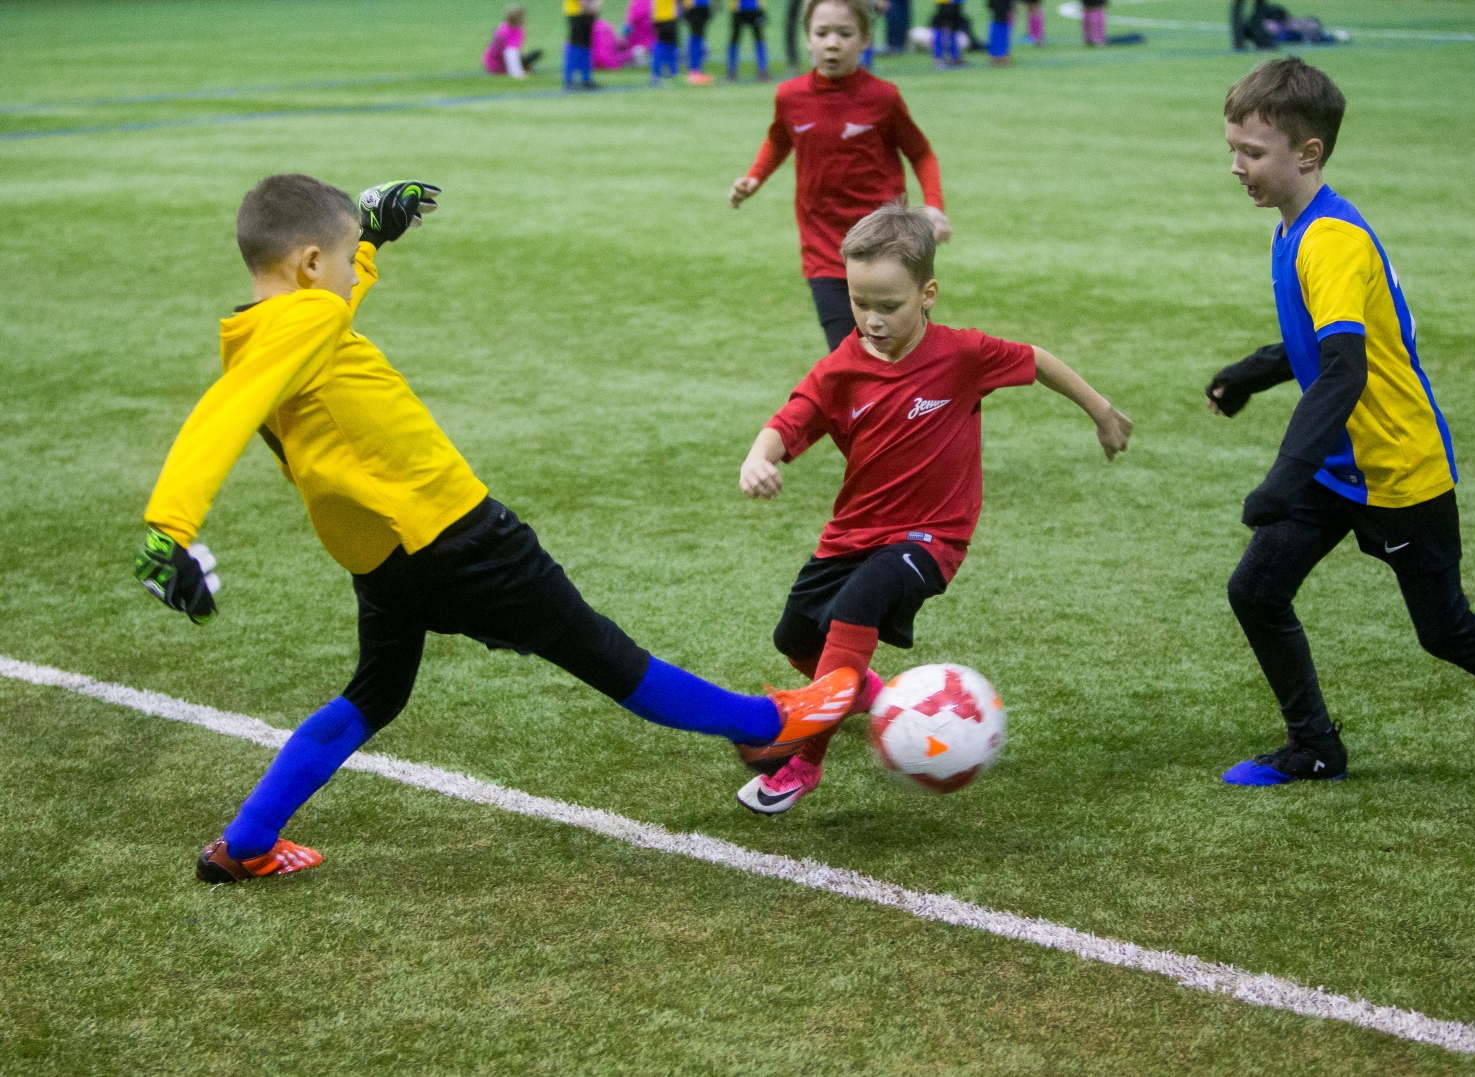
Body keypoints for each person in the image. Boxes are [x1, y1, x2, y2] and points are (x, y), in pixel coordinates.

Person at [134, 174, 859, 883]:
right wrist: (170, 528)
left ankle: (247, 841)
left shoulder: (263, 330)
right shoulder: (304, 322)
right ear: (311, 264)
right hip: (456, 534)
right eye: (347, 258)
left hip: (386, 556)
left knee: (375, 694)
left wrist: (371, 240)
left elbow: (315, 323)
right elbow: (222, 414)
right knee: (599, 648)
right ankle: (767, 726)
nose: (353, 277)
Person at [1210, 58, 1475, 801]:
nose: (1236, 167)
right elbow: (1324, 340)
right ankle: (1314, 747)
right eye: (1233, 149)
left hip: (1398, 468)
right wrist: (1252, 374)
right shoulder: (1295, 228)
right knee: (1257, 589)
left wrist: (1281, 478)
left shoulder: (1331, 239)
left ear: (1309, 154)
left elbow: (1345, 372)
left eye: (1252, 152)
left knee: (1445, 629)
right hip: (1338, 465)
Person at [734, 204, 1133, 814]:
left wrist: (1102, 412)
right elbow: (791, 420)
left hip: (930, 539)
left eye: (888, 305)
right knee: (794, 638)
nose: (871, 319)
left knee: (859, 605)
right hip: (850, 535)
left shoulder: (962, 355)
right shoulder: (841, 370)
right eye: (859, 302)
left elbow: (1036, 360)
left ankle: (802, 762)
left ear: (928, 295)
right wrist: (757, 458)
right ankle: (870, 694)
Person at [729, 0, 950, 352]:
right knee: (850, 358)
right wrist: (754, 178)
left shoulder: (883, 97)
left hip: (889, 247)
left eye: (845, 33)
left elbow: (921, 153)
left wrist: (934, 205)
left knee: (910, 357)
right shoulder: (790, 96)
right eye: (822, 33)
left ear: (864, 39)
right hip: (824, 252)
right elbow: (779, 139)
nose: (832, 43)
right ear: (808, 39)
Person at [483, 5, 544, 77]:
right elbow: (510, 51)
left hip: (490, 62)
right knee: (533, 56)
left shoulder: (503, 26)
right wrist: (517, 72)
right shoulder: (516, 31)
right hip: (501, 65)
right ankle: (522, 67)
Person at [728, 0, 771, 80]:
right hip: (742, 9)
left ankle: (762, 70)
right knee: (735, 39)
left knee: (758, 38)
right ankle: (732, 71)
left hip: (751, 9)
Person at [563, 0, 601, 89]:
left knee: (586, 46)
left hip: (586, 13)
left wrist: (593, 6)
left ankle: (585, 79)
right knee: (577, 46)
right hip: (577, 13)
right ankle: (570, 79)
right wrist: (589, 6)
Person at [649, 0, 682, 83]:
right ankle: (671, 73)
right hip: (668, 17)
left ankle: (658, 73)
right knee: (669, 46)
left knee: (664, 45)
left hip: (658, 17)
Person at [685, 0, 716, 81]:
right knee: (696, 37)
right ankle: (694, 71)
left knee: (698, 37)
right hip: (694, 6)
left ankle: (696, 70)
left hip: (702, 6)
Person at [930, 0, 967, 67]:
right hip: (944, 9)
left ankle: (953, 58)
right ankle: (940, 59)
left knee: (952, 33)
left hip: (953, 9)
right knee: (941, 33)